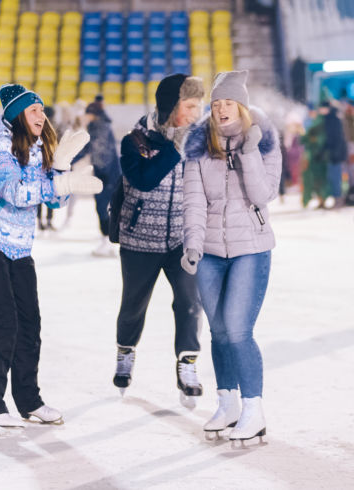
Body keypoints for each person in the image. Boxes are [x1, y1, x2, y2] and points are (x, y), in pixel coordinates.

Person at [0, 84, 101, 431]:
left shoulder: (38, 148)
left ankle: (29, 400)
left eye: (42, 109)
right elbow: (16, 192)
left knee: (29, 324)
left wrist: (62, 167)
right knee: (3, 322)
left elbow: (54, 201)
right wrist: (60, 184)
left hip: (19, 247)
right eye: (33, 109)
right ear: (16, 115)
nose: (42, 115)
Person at [182, 70, 282, 445]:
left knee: (238, 329)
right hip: (208, 250)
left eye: (228, 102)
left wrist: (249, 151)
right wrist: (192, 243)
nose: (221, 109)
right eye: (216, 103)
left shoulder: (265, 139)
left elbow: (262, 195)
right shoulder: (198, 143)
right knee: (219, 331)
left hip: (251, 250)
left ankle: (254, 409)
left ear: (241, 105)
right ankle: (228, 404)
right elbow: (193, 199)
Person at [113, 74, 205, 408]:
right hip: (139, 240)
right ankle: (125, 351)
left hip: (183, 239)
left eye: (199, 106)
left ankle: (188, 365)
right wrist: (176, 149)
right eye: (189, 106)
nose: (196, 114)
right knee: (133, 305)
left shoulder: (200, 142)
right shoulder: (134, 140)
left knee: (189, 303)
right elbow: (145, 181)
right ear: (169, 106)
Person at [73, 101, 122, 257]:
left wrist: (71, 160)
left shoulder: (99, 127)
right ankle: (106, 240)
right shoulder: (100, 126)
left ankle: (108, 242)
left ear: (92, 114)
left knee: (103, 208)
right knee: (103, 208)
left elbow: (98, 150)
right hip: (106, 174)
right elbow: (90, 148)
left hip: (107, 175)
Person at [301, 106, 329, 208]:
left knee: (316, 179)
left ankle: (319, 199)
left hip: (318, 157)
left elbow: (304, 139)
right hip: (318, 157)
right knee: (318, 179)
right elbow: (303, 139)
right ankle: (320, 199)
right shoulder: (316, 123)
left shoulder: (317, 124)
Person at [322, 101, 348, 207]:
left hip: (336, 154)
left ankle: (339, 199)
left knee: (336, 177)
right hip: (333, 152)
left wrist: (336, 153)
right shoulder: (329, 119)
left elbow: (338, 138)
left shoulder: (334, 120)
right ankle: (336, 198)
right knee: (332, 177)